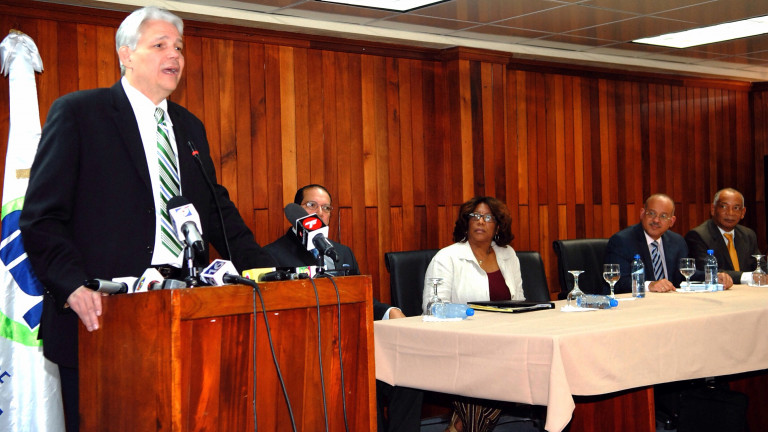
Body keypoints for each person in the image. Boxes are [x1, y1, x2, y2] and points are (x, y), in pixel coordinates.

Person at [18, 7, 275, 431]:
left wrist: (268, 273)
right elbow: (41, 217)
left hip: (181, 311)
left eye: (179, 48)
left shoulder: (189, 127)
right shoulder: (80, 113)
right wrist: (72, 285)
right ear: (126, 54)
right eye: (160, 45)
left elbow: (216, 212)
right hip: (101, 316)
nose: (174, 55)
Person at [263, 184, 423, 432]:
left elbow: (359, 299)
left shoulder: (341, 252)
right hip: (306, 356)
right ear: (296, 212)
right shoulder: (272, 256)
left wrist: (388, 311)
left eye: (326, 208)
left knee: (409, 378)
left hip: (352, 349)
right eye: (312, 205)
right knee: (358, 387)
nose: (320, 213)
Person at [423, 196, 524, 432]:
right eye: (475, 216)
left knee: (520, 363)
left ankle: (459, 425)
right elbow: (432, 307)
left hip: (505, 341)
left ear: (498, 226)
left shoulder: (508, 255)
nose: (480, 221)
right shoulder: (446, 258)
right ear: (466, 223)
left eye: (488, 217)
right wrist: (470, 316)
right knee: (497, 372)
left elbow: (519, 301)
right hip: (461, 344)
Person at [604, 193, 732, 294]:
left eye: (663, 216)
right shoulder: (622, 241)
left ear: (672, 221)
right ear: (642, 214)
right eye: (651, 213)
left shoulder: (677, 241)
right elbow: (618, 282)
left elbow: (684, 276)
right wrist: (650, 285)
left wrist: (713, 277)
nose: (656, 220)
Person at [685, 188, 760, 284]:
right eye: (724, 207)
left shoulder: (748, 234)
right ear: (713, 209)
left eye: (736, 208)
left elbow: (760, 266)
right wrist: (747, 277)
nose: (730, 213)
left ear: (743, 212)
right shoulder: (698, 236)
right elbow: (706, 271)